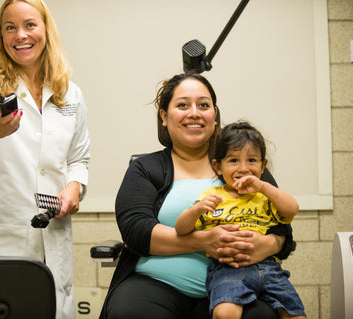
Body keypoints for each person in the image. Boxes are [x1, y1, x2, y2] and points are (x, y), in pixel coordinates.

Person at [100, 72, 296, 319]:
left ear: (214, 116)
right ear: (164, 116)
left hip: (239, 283)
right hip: (155, 285)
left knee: (260, 317)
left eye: (203, 105)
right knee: (131, 312)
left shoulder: (244, 167)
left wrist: (266, 245)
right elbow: (136, 231)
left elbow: (283, 231)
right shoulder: (145, 169)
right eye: (182, 105)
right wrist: (203, 241)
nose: (194, 112)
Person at [0, 1, 90, 318]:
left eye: (29, 25)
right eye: (9, 27)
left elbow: (78, 159)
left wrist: (74, 186)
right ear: (1, 36)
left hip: (51, 237)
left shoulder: (70, 94)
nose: (20, 35)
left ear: (46, 30)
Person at [175, 121, 306, 319]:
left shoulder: (266, 196)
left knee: (295, 315)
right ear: (218, 166)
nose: (243, 168)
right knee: (225, 313)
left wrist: (263, 187)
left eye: (252, 160)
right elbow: (181, 229)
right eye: (234, 160)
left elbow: (292, 209)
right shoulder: (211, 196)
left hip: (269, 268)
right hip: (228, 269)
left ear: (263, 166)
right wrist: (197, 209)